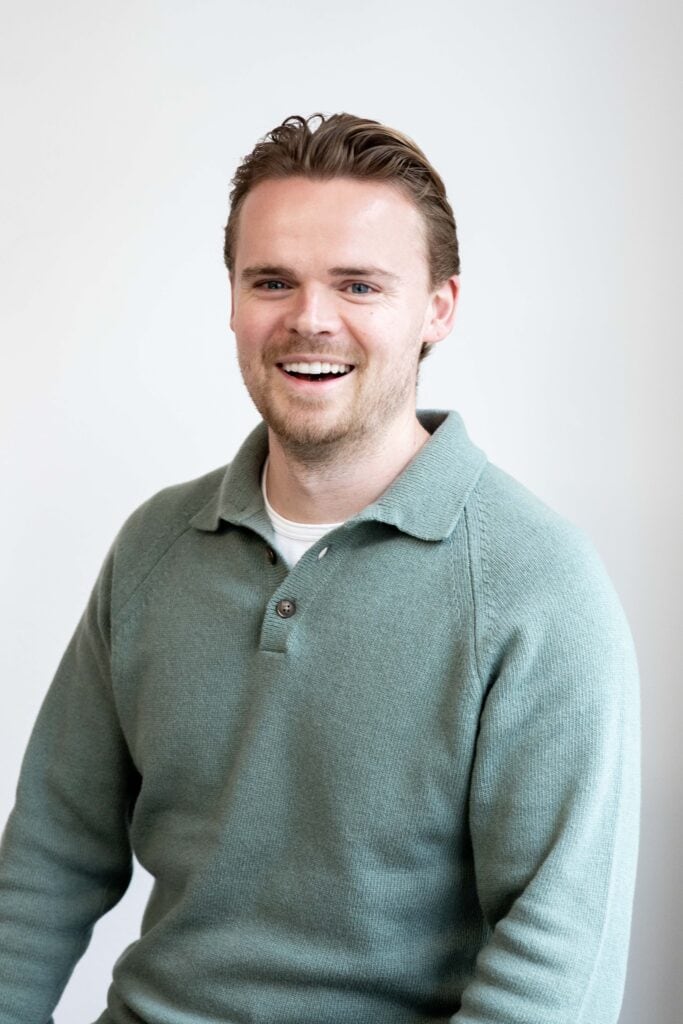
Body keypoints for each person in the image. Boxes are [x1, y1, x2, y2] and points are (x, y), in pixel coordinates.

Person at [0, 112, 640, 1024]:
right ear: (232, 300)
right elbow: (47, 861)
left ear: (438, 308)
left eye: (358, 285)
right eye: (272, 281)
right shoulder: (155, 546)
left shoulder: (537, 586)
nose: (309, 319)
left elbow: (558, 960)